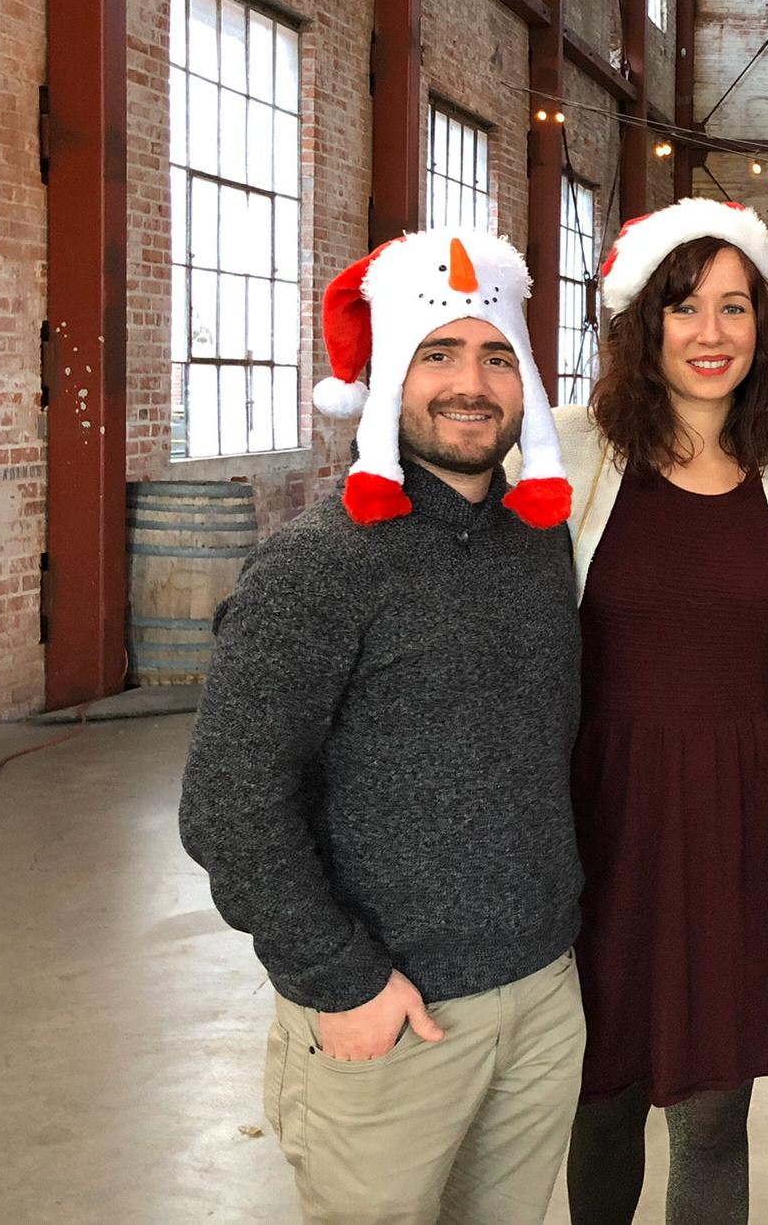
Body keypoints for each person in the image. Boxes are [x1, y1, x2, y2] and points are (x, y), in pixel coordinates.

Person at [179, 228, 585, 1225]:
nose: (470, 384)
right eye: (436, 354)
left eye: (496, 356)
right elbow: (230, 805)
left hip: (538, 991)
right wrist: (337, 976)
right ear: (387, 374)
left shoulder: (538, 546)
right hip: (390, 1010)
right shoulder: (318, 565)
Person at [530, 199, 768, 1225]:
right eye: (685, 307)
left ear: (764, 327)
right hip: (600, 820)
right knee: (601, 1099)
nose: (711, 334)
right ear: (640, 325)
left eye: (734, 307)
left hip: (744, 825)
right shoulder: (570, 452)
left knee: (713, 1117)